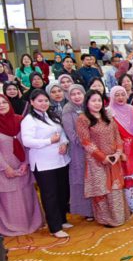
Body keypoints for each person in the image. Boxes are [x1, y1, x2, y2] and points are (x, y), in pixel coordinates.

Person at [21, 90, 71, 238]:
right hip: (44, 163)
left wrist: (64, 143)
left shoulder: (52, 115)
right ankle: (55, 227)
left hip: (60, 160)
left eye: (45, 100)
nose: (43, 103)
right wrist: (49, 141)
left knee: (62, 191)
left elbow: (61, 133)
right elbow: (27, 141)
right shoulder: (29, 120)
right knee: (50, 195)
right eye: (40, 101)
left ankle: (62, 219)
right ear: (32, 102)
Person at [76, 90, 130, 227]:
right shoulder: (83, 119)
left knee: (115, 189)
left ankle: (119, 217)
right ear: (87, 102)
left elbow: (117, 135)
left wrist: (118, 153)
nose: (97, 103)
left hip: (113, 159)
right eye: (93, 100)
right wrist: (102, 157)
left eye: (99, 100)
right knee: (102, 190)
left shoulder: (108, 116)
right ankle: (106, 219)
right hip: (96, 161)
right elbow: (86, 142)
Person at [0, 94, 42, 236]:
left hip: (23, 166)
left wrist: (26, 163)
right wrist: (6, 168)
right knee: (10, 199)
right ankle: (12, 227)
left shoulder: (20, 120)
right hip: (4, 170)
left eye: (4, 102)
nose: (1, 105)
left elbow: (27, 143)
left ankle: (32, 223)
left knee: (26, 196)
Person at [61, 84, 94, 220]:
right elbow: (71, 135)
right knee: (81, 179)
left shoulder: (89, 106)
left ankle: (97, 209)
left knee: (94, 177)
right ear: (69, 96)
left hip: (94, 150)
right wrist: (87, 143)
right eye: (73, 94)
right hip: (78, 150)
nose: (76, 96)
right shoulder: (67, 110)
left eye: (79, 93)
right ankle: (86, 211)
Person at [108, 86, 133, 213]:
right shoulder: (108, 112)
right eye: (117, 95)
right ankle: (126, 205)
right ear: (112, 97)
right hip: (119, 149)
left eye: (123, 94)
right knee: (124, 176)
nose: (120, 97)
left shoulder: (132, 109)